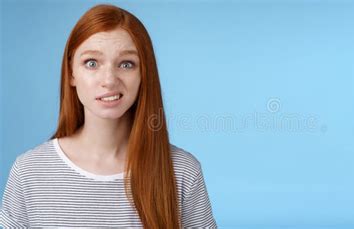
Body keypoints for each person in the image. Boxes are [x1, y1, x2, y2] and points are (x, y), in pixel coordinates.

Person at [0, 4, 217, 228]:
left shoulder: (182, 172)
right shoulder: (28, 171)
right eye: (91, 63)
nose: (110, 80)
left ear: (144, 74)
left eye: (126, 64)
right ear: (71, 73)